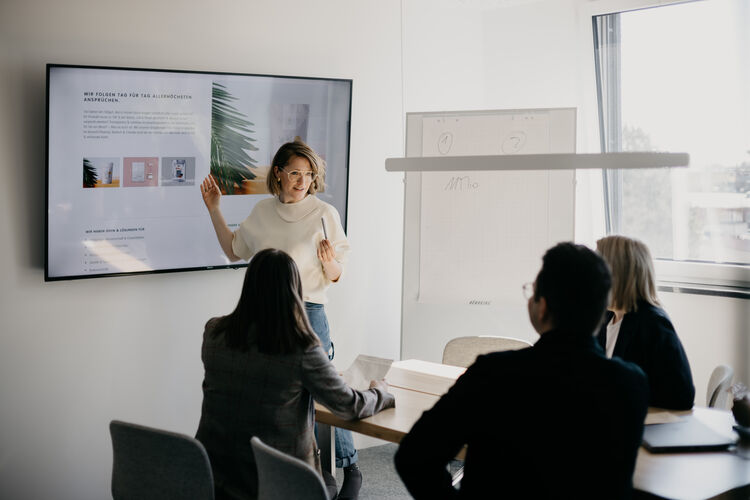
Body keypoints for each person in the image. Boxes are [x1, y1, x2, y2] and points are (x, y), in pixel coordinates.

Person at [394, 242, 649, 499]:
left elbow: (414, 456)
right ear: (600, 310)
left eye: (533, 291)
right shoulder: (630, 385)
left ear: (543, 306)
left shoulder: (492, 374)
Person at [201, 140, 364, 497]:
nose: (302, 181)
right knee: (282, 401)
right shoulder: (262, 212)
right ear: (278, 173)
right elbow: (233, 250)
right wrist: (215, 209)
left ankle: (345, 467)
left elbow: (339, 273)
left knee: (320, 395)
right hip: (263, 313)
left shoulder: (324, 214)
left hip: (309, 310)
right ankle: (304, 476)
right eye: (294, 173)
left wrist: (328, 262)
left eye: (308, 175)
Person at [195, 248, 395, 500]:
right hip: (279, 482)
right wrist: (380, 392)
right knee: (327, 482)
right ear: (294, 291)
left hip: (216, 478)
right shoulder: (300, 348)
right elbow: (349, 406)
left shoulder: (214, 333)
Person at [596, 235, 695, 410]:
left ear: (618, 275)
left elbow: (683, 396)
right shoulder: (606, 318)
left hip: (644, 428)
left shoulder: (654, 324)